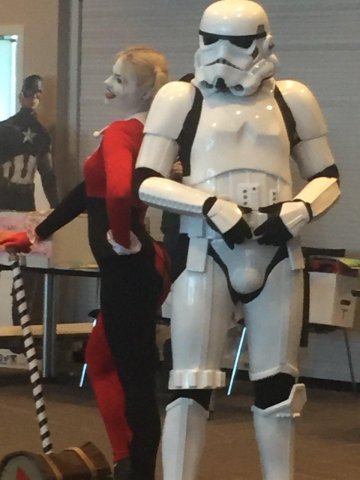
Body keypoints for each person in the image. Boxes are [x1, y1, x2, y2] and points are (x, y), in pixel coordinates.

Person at [134, 2, 340, 479]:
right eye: (212, 40)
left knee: (279, 389)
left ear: (265, 42)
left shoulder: (293, 98)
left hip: (276, 254)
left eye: (239, 43)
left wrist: (299, 209)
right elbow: (144, 179)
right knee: (189, 387)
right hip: (207, 252)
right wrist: (209, 206)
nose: (223, 54)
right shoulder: (180, 97)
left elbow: (326, 175)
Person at [0, 45, 170, 480]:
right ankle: (126, 459)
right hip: (134, 271)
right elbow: (86, 194)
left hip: (129, 274)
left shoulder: (121, 134)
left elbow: (115, 193)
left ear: (146, 92)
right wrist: (37, 232)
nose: (109, 86)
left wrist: (119, 234)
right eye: (111, 76)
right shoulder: (148, 135)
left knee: (133, 378)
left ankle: (138, 469)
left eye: (120, 80)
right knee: (102, 360)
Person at [0, 74, 59, 211]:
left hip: (25, 200)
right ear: (21, 96)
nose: (33, 98)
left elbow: (47, 174)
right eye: (29, 94)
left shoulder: (42, 134)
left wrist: (56, 207)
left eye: (37, 95)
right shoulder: (4, 129)